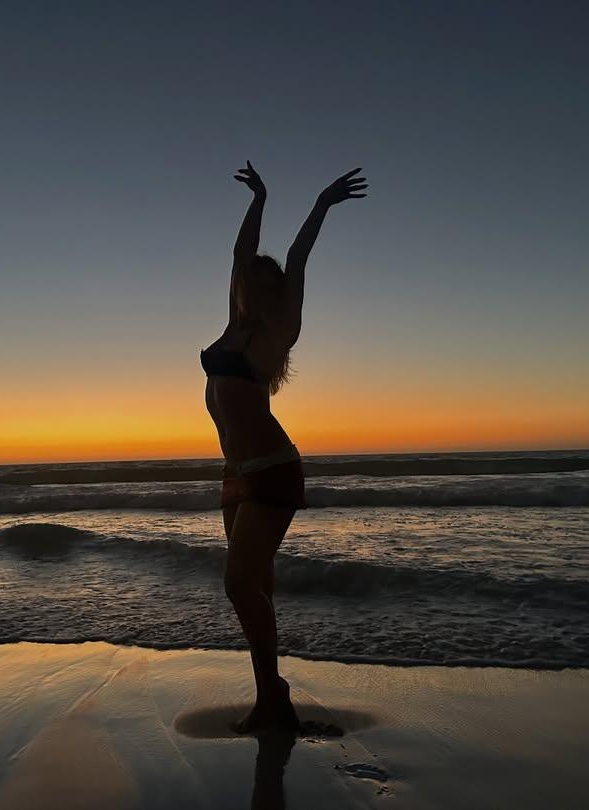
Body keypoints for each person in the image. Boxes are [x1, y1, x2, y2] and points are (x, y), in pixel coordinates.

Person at [200, 160, 367, 733]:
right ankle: (269, 698)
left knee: (238, 583)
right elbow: (240, 253)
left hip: (272, 469)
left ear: (270, 292)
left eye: (255, 281)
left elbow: (297, 259)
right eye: (243, 279)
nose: (244, 282)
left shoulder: (279, 330)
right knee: (256, 586)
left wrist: (320, 204)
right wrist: (260, 199)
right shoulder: (233, 324)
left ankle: (274, 695)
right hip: (235, 473)